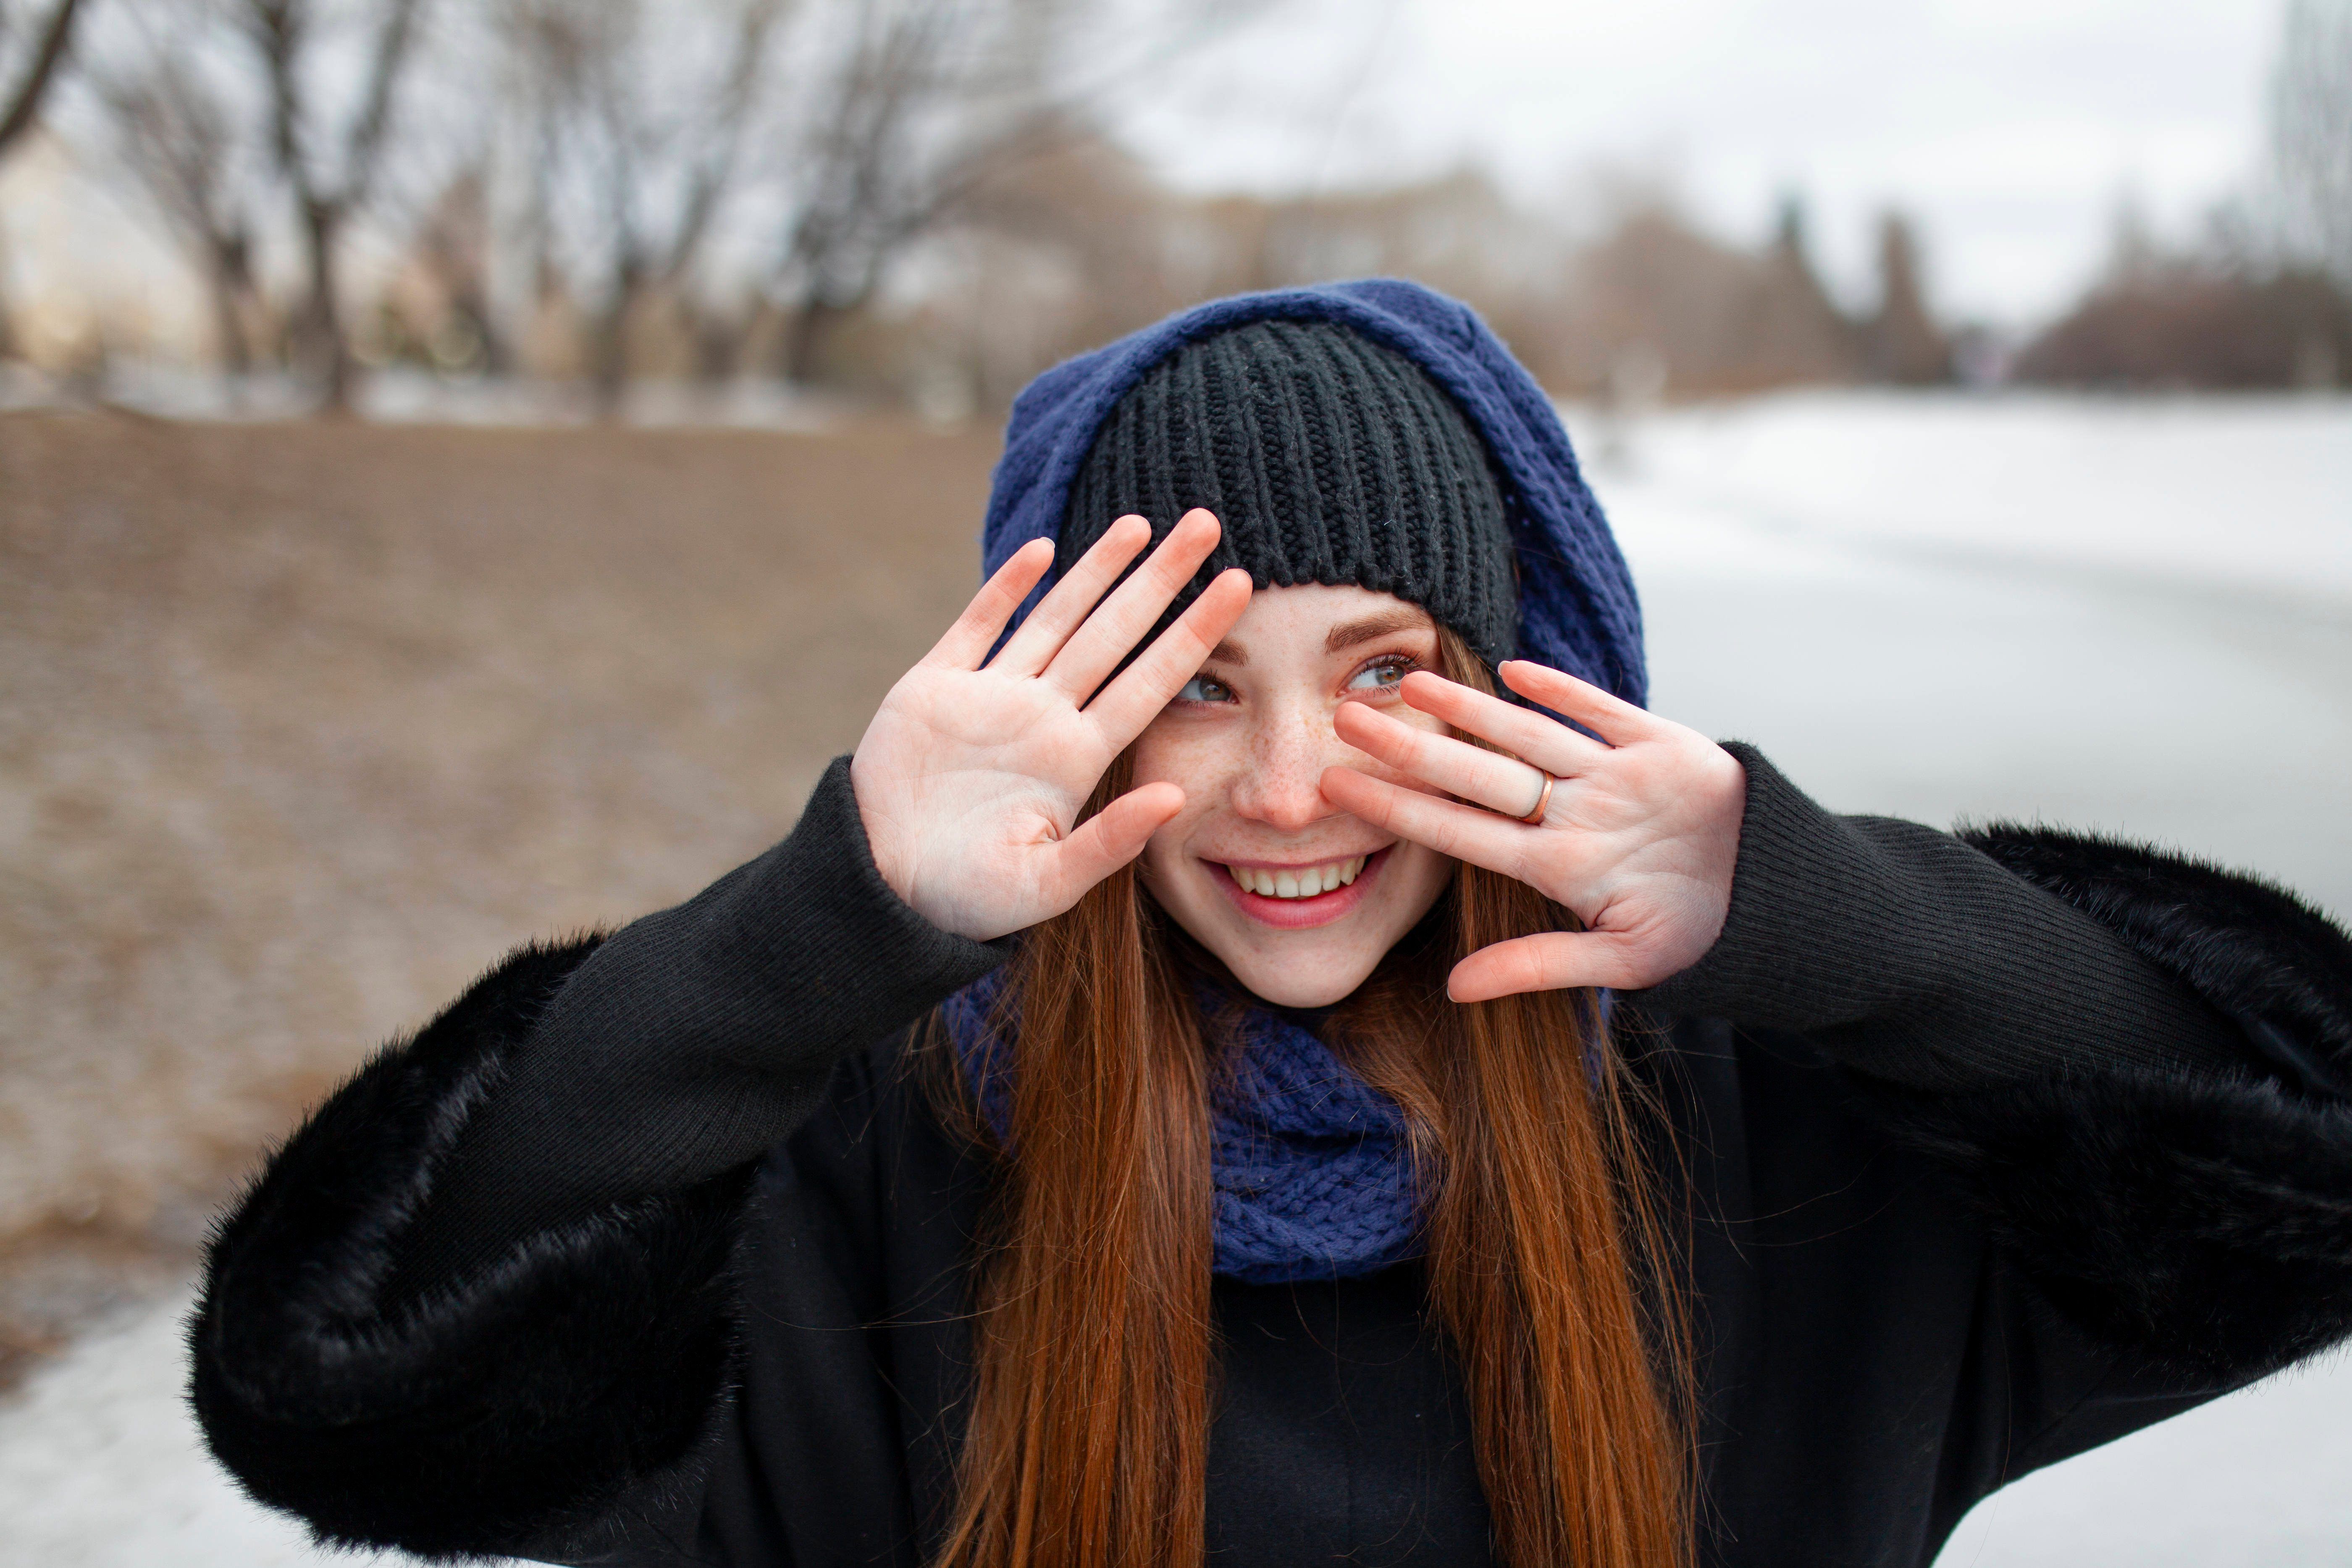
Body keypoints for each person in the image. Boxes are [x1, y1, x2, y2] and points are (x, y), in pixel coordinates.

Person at [189, 281, 2352, 1568]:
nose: (1293, 782)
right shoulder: (879, 1172)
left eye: (1388, 666)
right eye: (1193, 683)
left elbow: (2302, 1176)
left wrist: (1821, 914)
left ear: (1526, 683)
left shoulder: (1772, 1149)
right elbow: (347, 1385)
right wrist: (818, 930)